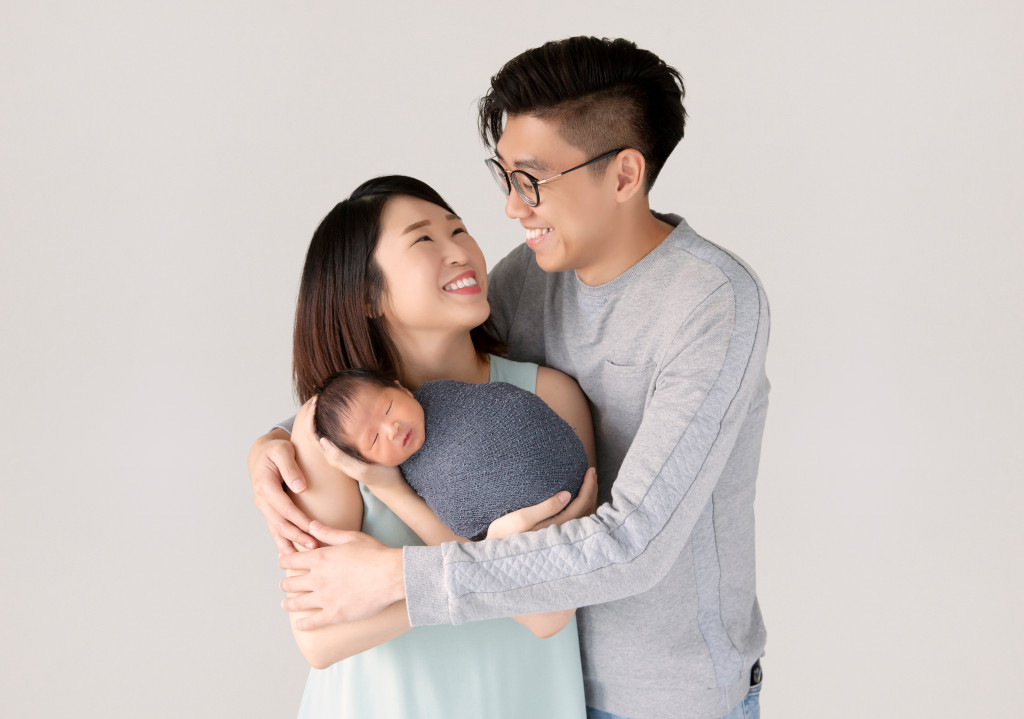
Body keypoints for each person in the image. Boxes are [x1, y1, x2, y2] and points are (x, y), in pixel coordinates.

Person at [255, 37, 770, 719]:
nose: (510, 209)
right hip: (544, 685)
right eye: (504, 179)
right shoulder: (527, 281)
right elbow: (421, 362)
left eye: (532, 180)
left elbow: (631, 543)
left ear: (622, 175)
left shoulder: (710, 303)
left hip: (663, 698)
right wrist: (274, 442)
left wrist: (397, 578)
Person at [264, 175, 599, 718]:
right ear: (367, 294)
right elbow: (320, 640)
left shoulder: (548, 397)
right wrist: (494, 561)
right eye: (424, 240)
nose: (460, 250)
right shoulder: (331, 436)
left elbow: (548, 613)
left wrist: (388, 580)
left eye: (459, 230)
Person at [312, 367, 589, 540]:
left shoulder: (444, 395)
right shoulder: (408, 477)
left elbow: (508, 406)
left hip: (568, 475)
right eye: (374, 439)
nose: (392, 429)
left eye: (388, 408)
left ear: (402, 389)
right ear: (365, 461)